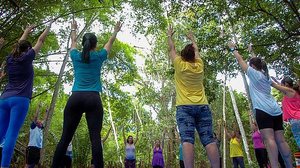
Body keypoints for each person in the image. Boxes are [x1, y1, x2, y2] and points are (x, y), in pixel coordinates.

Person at [51, 19, 121, 168]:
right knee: (95, 138)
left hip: (75, 97)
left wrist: (73, 29)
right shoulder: (99, 56)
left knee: (65, 138)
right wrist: (115, 31)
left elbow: (73, 43)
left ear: (84, 44)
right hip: (93, 98)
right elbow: (110, 42)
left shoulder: (75, 56)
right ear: (95, 45)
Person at [228, 42, 293, 168]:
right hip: (275, 110)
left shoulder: (252, 73)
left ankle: (274, 166)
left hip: (263, 110)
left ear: (252, 65)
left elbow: (239, 59)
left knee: (269, 140)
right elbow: (259, 63)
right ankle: (289, 165)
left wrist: (232, 49)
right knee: (281, 140)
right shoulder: (265, 75)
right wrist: (251, 51)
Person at [0, 22, 52, 167]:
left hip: (4, 99)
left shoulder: (10, 59)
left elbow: (19, 45)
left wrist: (27, 31)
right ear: (28, 49)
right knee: (11, 134)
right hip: (20, 100)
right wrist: (48, 27)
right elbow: (40, 41)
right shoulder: (27, 57)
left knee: (0, 133)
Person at [167, 25, 220, 168]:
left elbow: (171, 49)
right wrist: (192, 39)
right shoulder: (199, 65)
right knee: (209, 140)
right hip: (203, 106)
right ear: (193, 56)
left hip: (184, 107)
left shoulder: (179, 64)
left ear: (182, 56)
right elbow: (196, 51)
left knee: (187, 140)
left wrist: (170, 36)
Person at [272, 76, 300, 150]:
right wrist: (277, 81)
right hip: (297, 119)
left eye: (282, 85)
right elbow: (280, 87)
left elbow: (276, 86)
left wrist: (266, 77)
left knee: (299, 139)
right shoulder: (294, 92)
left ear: (286, 85)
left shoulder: (289, 92)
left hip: (296, 119)